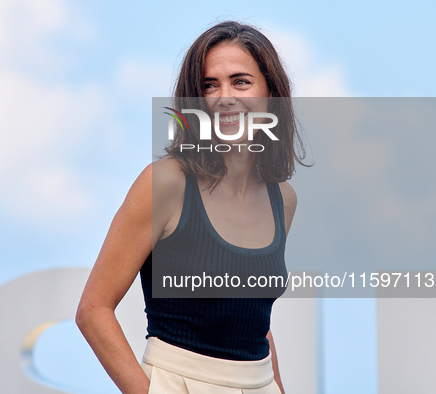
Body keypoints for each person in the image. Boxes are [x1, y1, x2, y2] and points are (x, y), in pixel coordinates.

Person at [76, 20, 307, 394]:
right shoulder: (164, 183)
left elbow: (252, 320)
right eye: (209, 85)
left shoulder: (283, 199)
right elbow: (93, 310)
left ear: (271, 94)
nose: (224, 96)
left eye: (241, 81)